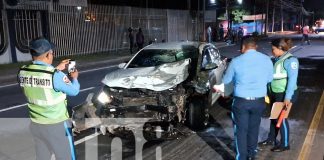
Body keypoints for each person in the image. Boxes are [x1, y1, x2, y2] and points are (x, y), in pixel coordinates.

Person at [18, 38, 80, 160]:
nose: (53, 54)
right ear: (47, 55)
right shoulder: (55, 75)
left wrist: (56, 69)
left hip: (36, 124)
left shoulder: (23, 71)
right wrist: (75, 78)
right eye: (52, 52)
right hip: (56, 125)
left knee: (42, 156)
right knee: (66, 156)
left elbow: (41, 79)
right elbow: (74, 91)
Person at [215, 37, 273, 160]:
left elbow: (226, 80)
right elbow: (269, 79)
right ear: (255, 47)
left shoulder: (236, 61)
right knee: (254, 128)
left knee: (241, 131)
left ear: (242, 48)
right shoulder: (267, 59)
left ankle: (242, 157)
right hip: (259, 101)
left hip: (241, 102)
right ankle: (252, 155)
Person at [258, 38, 299, 152]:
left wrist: (287, 97)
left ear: (280, 48)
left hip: (284, 94)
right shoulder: (277, 59)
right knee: (274, 117)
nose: (272, 51)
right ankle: (271, 139)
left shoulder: (291, 60)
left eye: (273, 49)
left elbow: (292, 80)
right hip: (275, 93)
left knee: (281, 119)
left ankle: (285, 144)